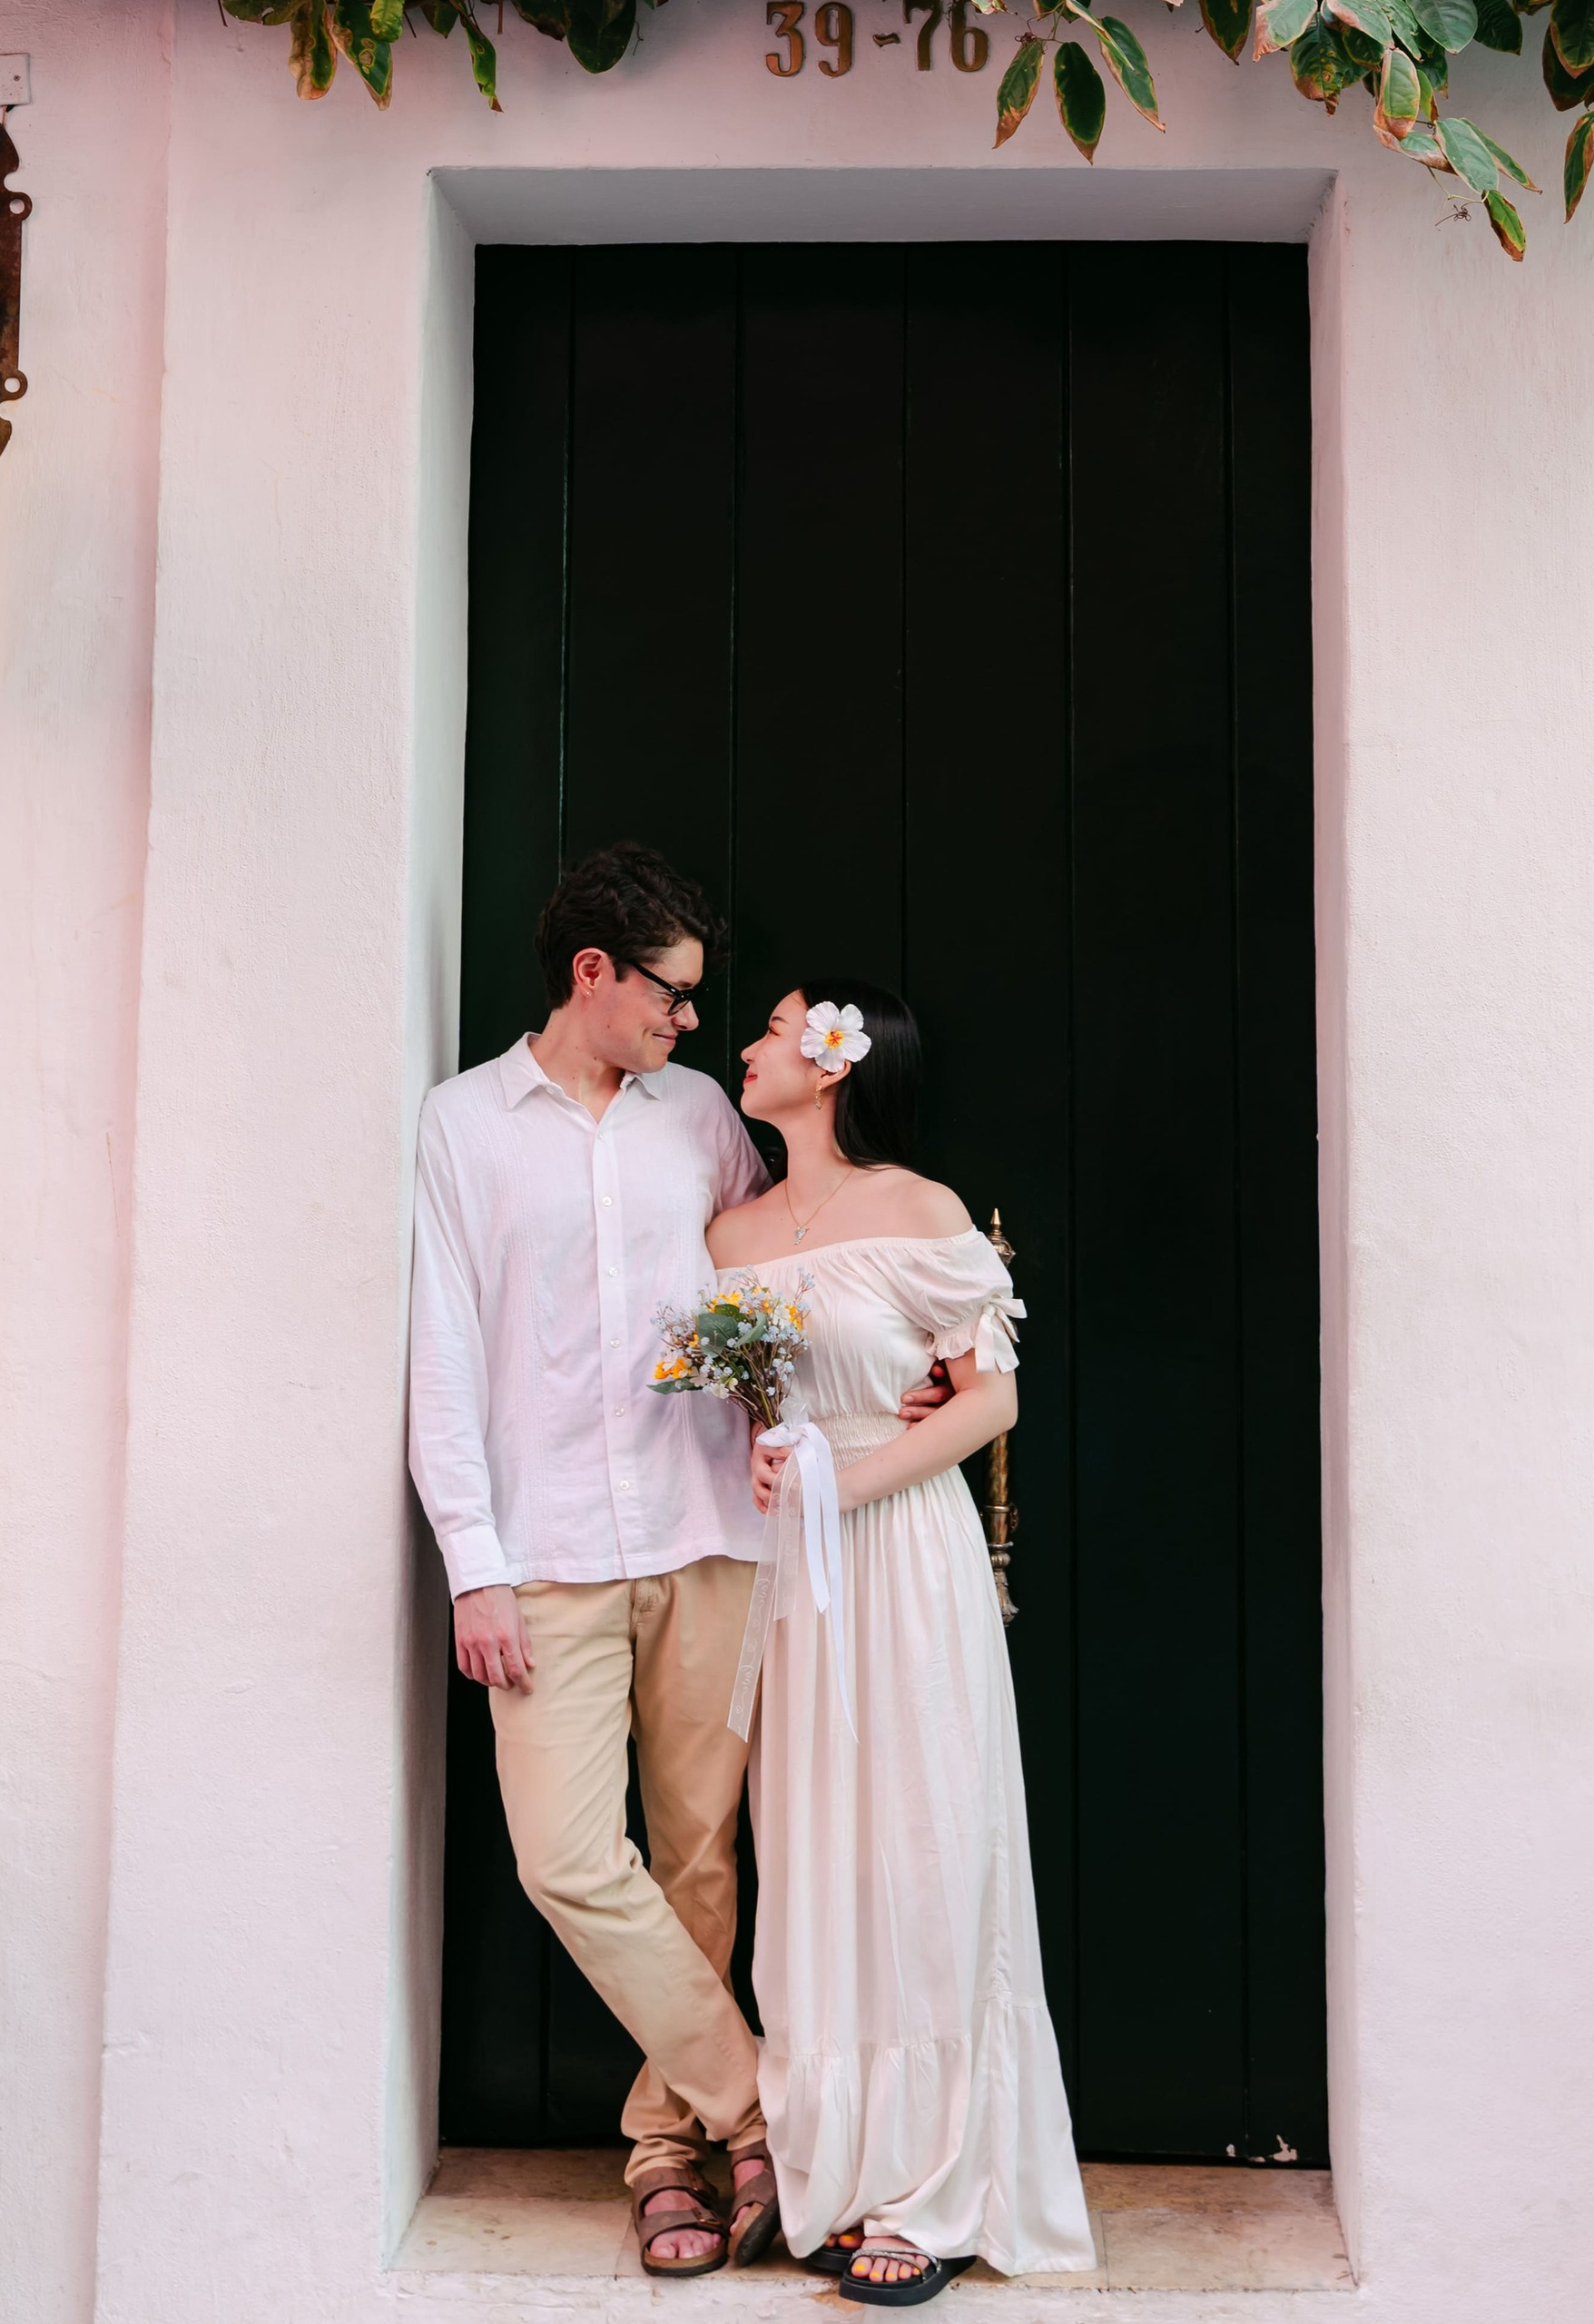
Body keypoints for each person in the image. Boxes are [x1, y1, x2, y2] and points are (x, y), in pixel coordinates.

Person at [408, 842, 781, 2278]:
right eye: (673, 995)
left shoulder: (700, 1122)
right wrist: (471, 1562)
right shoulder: (463, 1127)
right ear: (592, 975)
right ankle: (761, 2106)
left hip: (707, 1530)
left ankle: (666, 2158)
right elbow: (442, 1357)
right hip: (546, 1546)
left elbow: (776, 1267)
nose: (690, 1022)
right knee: (571, 1856)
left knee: (698, 1855)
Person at [706, 982, 1096, 2308]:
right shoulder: (731, 1233)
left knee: (928, 1844)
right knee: (813, 1847)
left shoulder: (922, 1211)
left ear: (830, 1067)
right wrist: (774, 1470)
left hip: (905, 1555)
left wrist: (839, 1476)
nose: (745, 1045)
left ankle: (938, 2185)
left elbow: (993, 1395)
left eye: (770, 1028)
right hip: (796, 1583)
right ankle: (842, 2158)